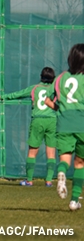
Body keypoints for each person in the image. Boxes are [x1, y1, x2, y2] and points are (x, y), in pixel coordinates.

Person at [0, 67, 56, 187]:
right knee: (51, 153)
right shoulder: (54, 88)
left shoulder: (35, 88)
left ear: (40, 77)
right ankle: (49, 181)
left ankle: (29, 180)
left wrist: (3, 96)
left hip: (38, 120)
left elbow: (19, 94)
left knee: (32, 152)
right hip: (52, 120)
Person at [45, 43, 84, 211]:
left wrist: (60, 109)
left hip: (64, 123)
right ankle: (74, 201)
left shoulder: (60, 78)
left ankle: (61, 174)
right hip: (82, 122)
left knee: (65, 159)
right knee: (80, 163)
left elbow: (48, 100)